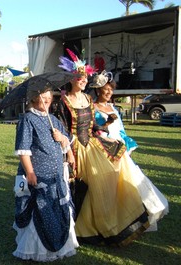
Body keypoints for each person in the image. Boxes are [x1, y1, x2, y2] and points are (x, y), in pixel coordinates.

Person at [55, 48, 150, 246]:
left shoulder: (88, 99)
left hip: (92, 143)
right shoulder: (63, 101)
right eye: (79, 77)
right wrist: (68, 152)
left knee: (112, 172)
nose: (82, 80)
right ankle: (86, 227)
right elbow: (61, 128)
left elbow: (91, 125)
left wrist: (106, 128)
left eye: (85, 77)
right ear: (72, 78)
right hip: (76, 148)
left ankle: (106, 223)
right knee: (91, 186)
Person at [90, 71, 169, 230]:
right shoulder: (92, 108)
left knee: (131, 179)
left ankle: (140, 213)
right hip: (105, 147)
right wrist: (106, 128)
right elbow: (94, 130)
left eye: (111, 90)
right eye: (106, 90)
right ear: (98, 90)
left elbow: (121, 129)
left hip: (121, 147)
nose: (109, 92)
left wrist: (126, 143)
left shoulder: (112, 106)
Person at [13, 84, 77, 262]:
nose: (46, 99)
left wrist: (65, 144)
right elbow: (23, 149)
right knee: (40, 208)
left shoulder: (54, 120)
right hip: (38, 174)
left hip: (56, 174)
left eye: (48, 96)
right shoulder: (27, 119)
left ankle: (60, 242)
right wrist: (30, 172)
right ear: (34, 99)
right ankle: (37, 249)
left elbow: (66, 142)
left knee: (58, 205)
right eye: (42, 95)